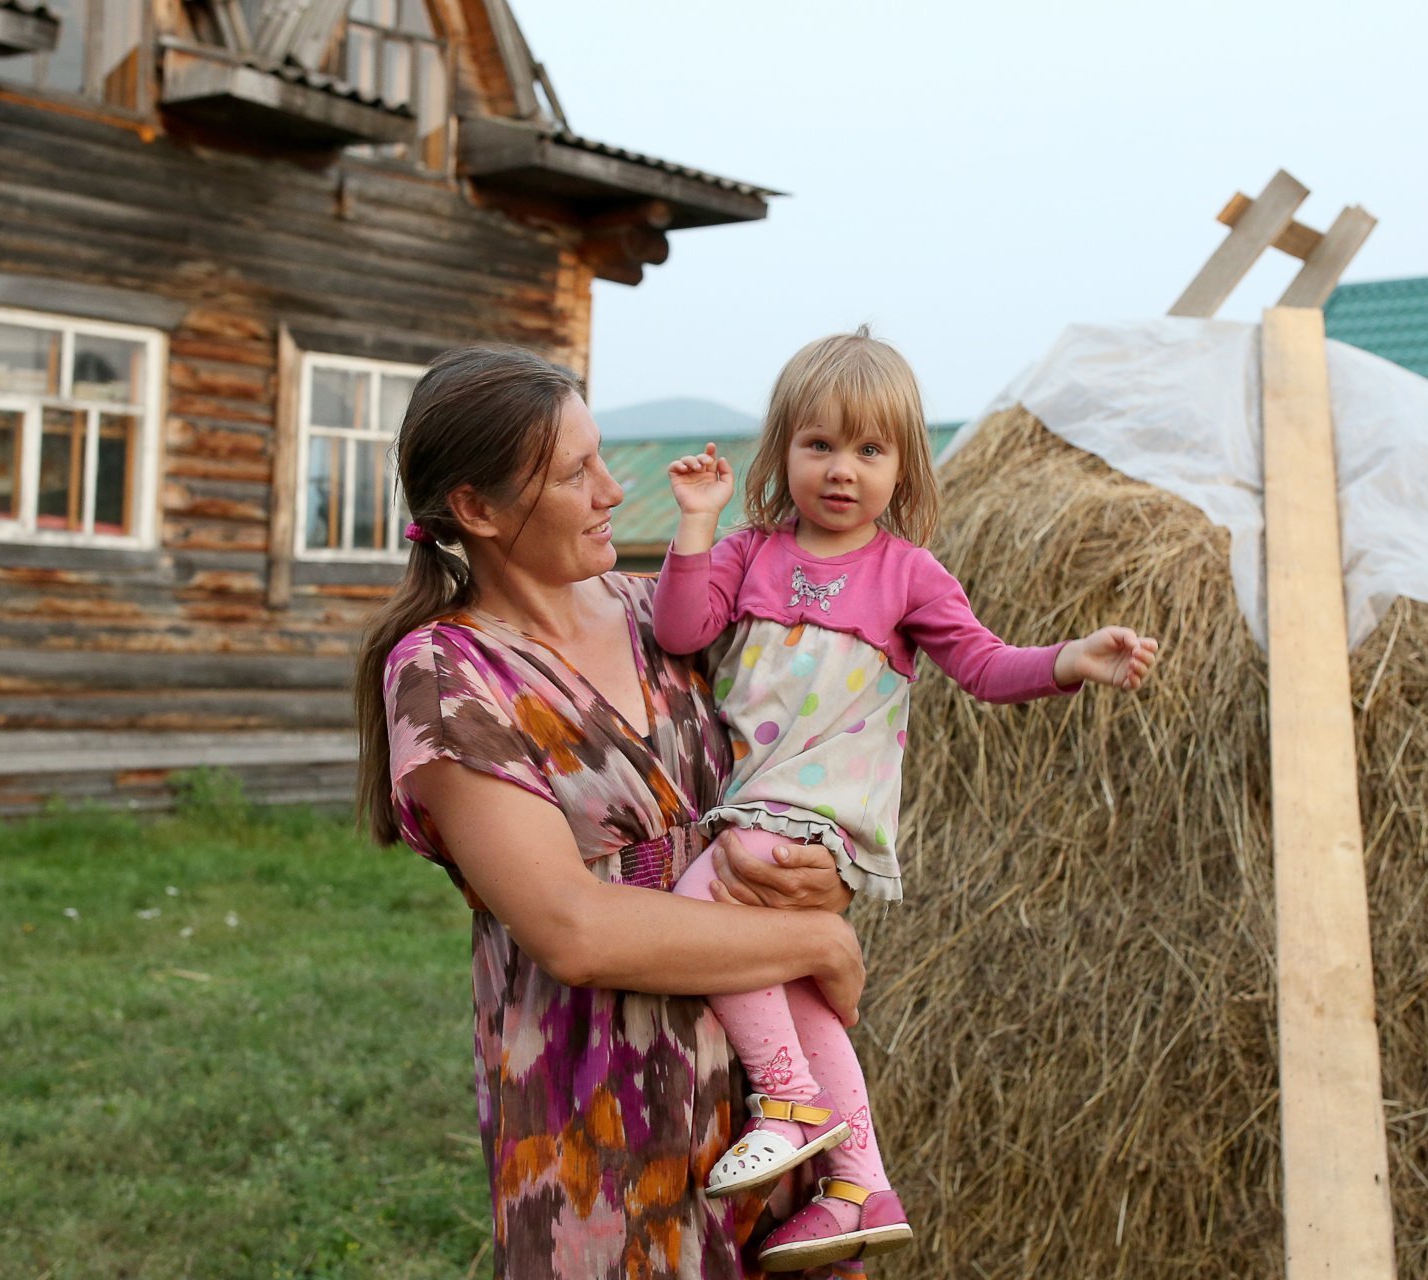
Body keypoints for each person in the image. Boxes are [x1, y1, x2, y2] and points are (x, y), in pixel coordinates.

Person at [354, 345, 874, 1280]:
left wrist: (827, 867)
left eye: (601, 457)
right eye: (574, 473)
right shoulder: (446, 679)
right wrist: (817, 945)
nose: (611, 490)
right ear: (474, 509)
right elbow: (574, 929)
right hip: (603, 1118)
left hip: (771, 1105)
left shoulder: (664, 613)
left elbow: (805, 751)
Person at [651, 327, 1160, 1271]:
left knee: (703, 903)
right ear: (783, 453)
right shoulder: (749, 551)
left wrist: (1068, 661)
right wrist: (695, 523)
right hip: (765, 807)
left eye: (869, 450)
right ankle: (859, 1183)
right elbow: (681, 628)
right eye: (820, 445)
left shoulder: (908, 574)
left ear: (903, 466)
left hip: (816, 821)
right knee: (800, 988)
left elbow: (983, 664)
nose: (842, 470)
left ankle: (788, 1099)